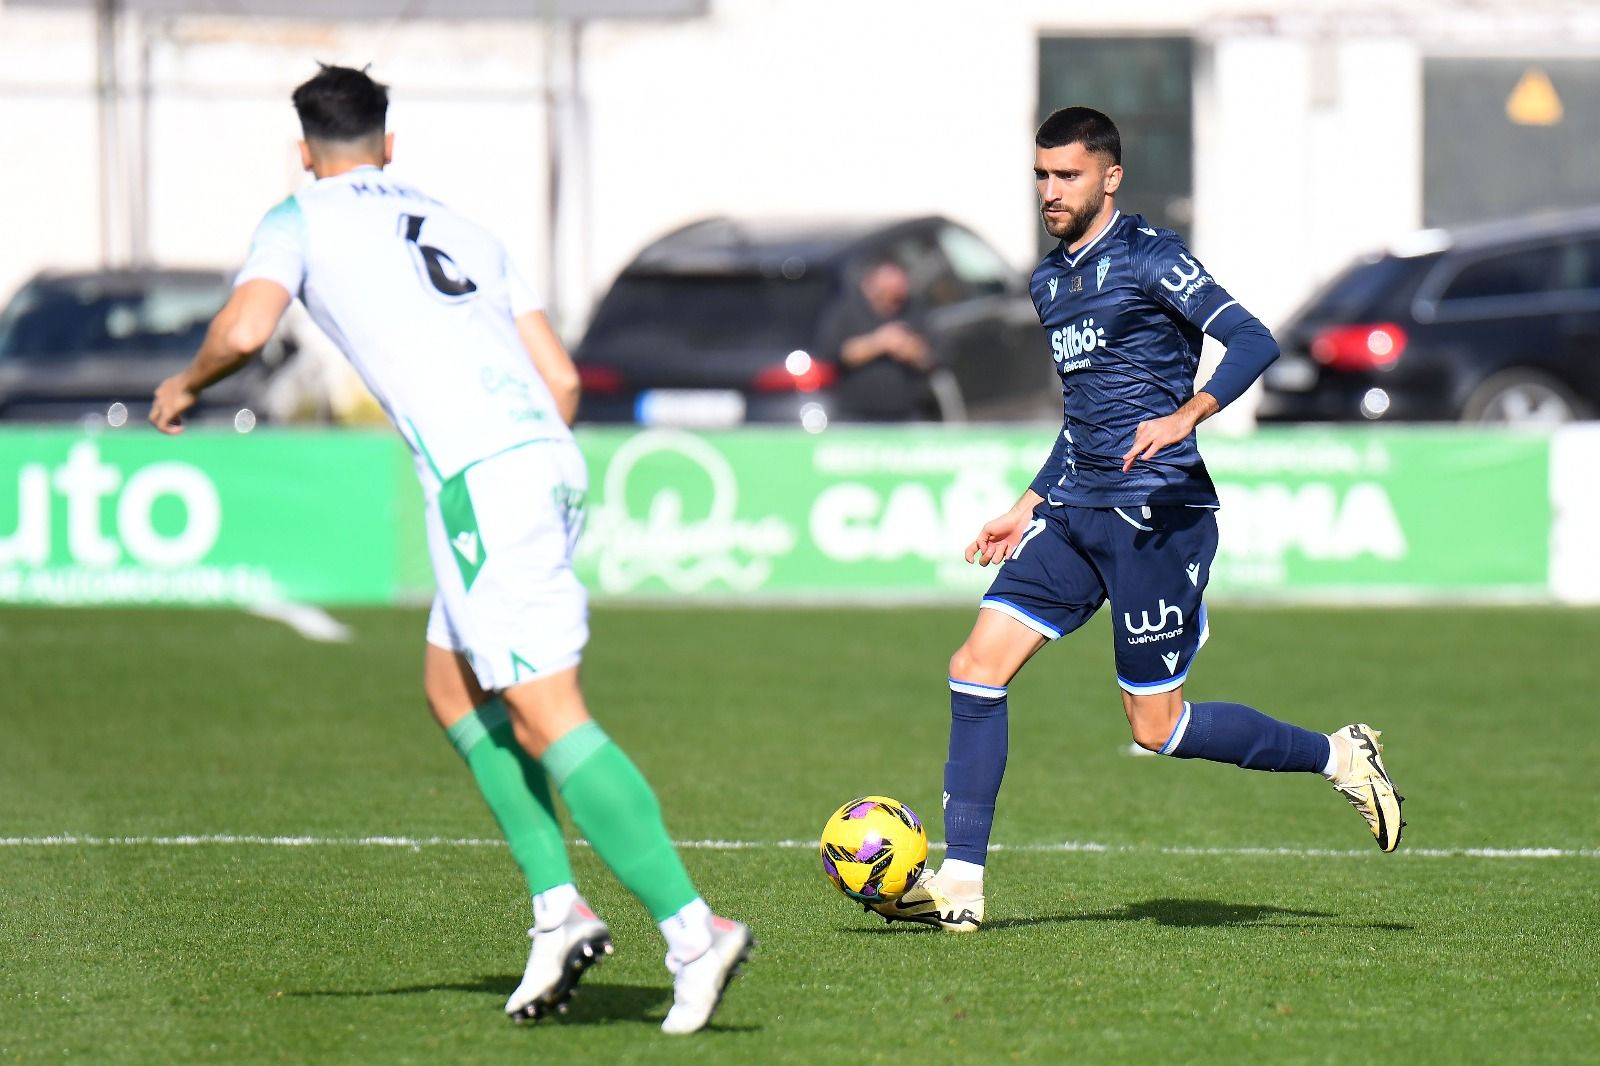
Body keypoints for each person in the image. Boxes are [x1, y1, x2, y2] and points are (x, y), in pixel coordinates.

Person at [149, 65, 751, 1032]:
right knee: (452, 686)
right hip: (540, 461)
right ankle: (558, 912)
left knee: (549, 713)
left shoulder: (298, 216)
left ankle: (693, 931)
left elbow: (249, 325)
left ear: (306, 153)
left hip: (485, 480)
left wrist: (185, 383)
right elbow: (558, 375)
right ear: (390, 145)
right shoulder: (464, 226)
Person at [869, 106, 1405, 933]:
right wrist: (1028, 503)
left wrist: (1189, 413)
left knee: (1157, 728)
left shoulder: (1153, 259)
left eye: (1068, 175)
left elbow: (1253, 340)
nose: (1051, 190)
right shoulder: (1049, 281)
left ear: (1109, 177)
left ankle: (1339, 756)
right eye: (1042, 175)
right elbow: (1085, 416)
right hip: (1079, 511)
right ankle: (963, 888)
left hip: (1159, 514)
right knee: (976, 666)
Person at [816, 257, 939, 420]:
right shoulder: (846, 313)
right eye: (888, 285)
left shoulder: (914, 310)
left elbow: (934, 356)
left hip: (909, 412)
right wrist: (880, 343)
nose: (896, 290)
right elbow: (834, 354)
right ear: (870, 285)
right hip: (858, 416)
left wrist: (910, 350)